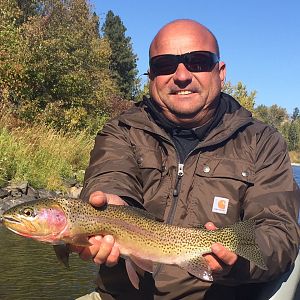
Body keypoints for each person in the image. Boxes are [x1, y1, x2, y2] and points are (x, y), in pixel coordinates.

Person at [73, 19, 300, 300]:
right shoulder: (121, 131)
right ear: (151, 76)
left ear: (221, 72)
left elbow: (278, 232)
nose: (181, 75)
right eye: (165, 65)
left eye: (198, 61)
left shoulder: (262, 142)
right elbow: (111, 177)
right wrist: (110, 205)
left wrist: (236, 261)